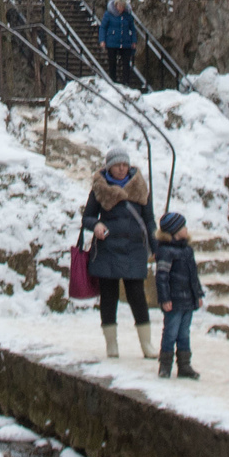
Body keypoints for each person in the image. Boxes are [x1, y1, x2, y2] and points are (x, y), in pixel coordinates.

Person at [81, 146, 158, 361]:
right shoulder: (100, 187)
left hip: (134, 247)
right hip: (108, 249)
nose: (122, 169)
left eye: (125, 164)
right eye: (117, 165)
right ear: (109, 167)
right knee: (109, 296)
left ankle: (147, 344)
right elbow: (87, 217)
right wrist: (96, 225)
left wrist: (156, 245)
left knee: (137, 296)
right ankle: (112, 344)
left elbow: (149, 219)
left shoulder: (140, 186)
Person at [155, 212, 205, 379]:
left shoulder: (187, 250)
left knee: (184, 334)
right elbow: (161, 277)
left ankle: (184, 365)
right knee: (170, 333)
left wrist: (197, 294)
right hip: (174, 301)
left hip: (188, 301)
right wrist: (165, 299)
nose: (186, 229)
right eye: (183, 227)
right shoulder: (165, 251)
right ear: (175, 232)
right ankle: (165, 365)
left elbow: (193, 275)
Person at [99, 0, 138, 84]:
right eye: (119, 6)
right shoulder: (109, 14)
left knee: (126, 63)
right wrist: (102, 40)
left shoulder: (128, 15)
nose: (121, 8)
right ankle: (113, 81)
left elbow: (132, 28)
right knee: (112, 62)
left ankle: (126, 81)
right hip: (112, 42)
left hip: (125, 42)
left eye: (122, 6)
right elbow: (103, 27)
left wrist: (133, 41)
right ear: (116, 6)